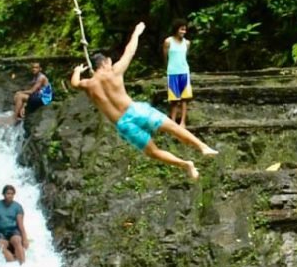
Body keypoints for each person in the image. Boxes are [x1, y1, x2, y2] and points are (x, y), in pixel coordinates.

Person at [70, 22, 218, 179]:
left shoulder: (88, 85)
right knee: (173, 127)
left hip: (123, 124)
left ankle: (186, 165)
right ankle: (202, 147)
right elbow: (130, 51)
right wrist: (136, 33)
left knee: (153, 152)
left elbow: (74, 83)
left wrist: (77, 71)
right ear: (106, 62)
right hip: (136, 111)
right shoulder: (114, 72)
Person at [0, 184, 29, 265]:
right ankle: (13, 265)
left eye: (12, 194)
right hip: (0, 233)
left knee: (17, 241)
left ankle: (23, 264)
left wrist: (25, 239)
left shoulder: (17, 207)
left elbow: (20, 224)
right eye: (8, 193)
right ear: (3, 194)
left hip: (13, 231)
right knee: (0, 246)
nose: (10, 196)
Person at [163, 19, 193, 127]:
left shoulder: (187, 43)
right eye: (181, 29)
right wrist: (169, 68)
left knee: (184, 98)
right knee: (174, 99)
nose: (183, 32)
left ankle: (182, 122)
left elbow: (185, 57)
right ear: (176, 29)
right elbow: (165, 57)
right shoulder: (168, 42)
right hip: (172, 73)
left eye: (185, 30)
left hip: (184, 72)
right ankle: (173, 121)